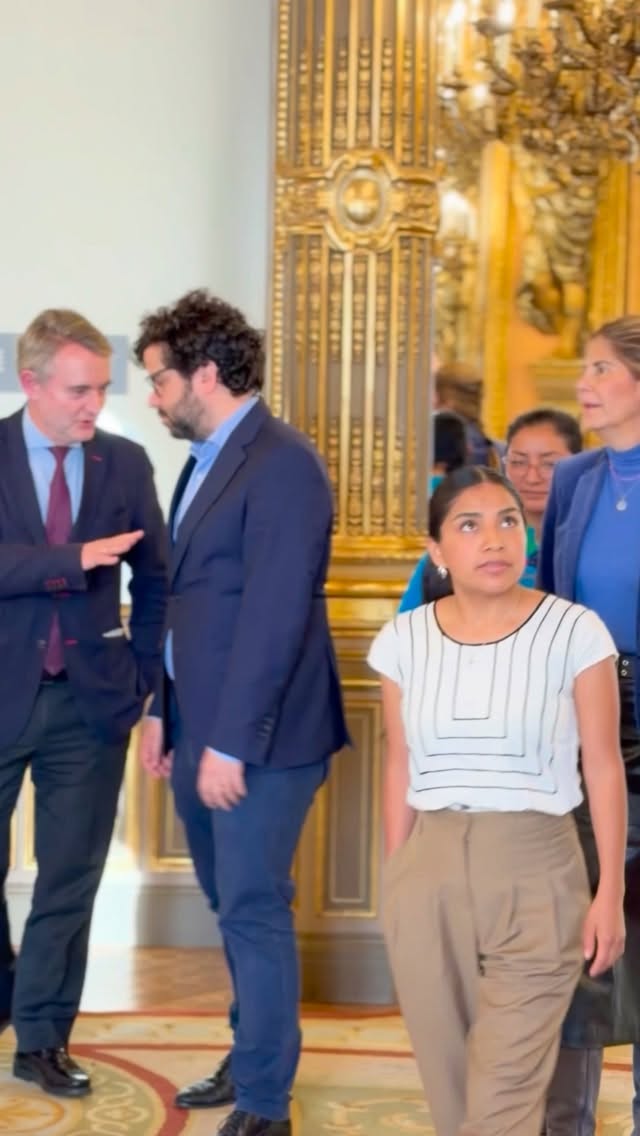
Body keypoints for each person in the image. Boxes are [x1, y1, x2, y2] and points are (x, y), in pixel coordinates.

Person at [135, 289, 349, 1136]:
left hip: (260, 741)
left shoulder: (284, 462)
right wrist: (165, 708)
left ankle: (265, 1105)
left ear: (207, 375)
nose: (151, 396)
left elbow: (273, 613)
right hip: (202, 730)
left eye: (157, 380)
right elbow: (191, 601)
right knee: (235, 909)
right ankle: (252, 1050)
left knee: (254, 908)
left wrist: (229, 742)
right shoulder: (210, 457)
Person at [369, 466, 627, 1136]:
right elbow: (399, 762)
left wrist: (609, 896)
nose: (494, 539)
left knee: (501, 1104)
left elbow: (602, 766)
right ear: (437, 551)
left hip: (538, 866)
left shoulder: (575, 631)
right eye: (469, 525)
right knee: (454, 1101)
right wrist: (396, 878)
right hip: (428, 872)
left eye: (508, 521)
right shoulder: (403, 640)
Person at [0, 308, 167, 1097]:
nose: (92, 405)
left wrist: (143, 678)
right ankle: (9, 993)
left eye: (101, 387)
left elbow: (160, 581)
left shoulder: (126, 464)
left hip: (92, 706)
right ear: (30, 383)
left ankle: (40, 1037)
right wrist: (71, 560)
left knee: (70, 879)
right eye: (77, 389)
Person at [539, 315, 640, 1136]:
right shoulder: (572, 480)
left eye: (601, 369)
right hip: (586, 715)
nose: (584, 383)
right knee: (583, 928)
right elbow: (554, 607)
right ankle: (566, 1122)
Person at [400, 407, 582, 611]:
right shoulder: (460, 541)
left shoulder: (591, 550)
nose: (532, 477)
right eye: (519, 462)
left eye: (549, 464)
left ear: (580, 464)